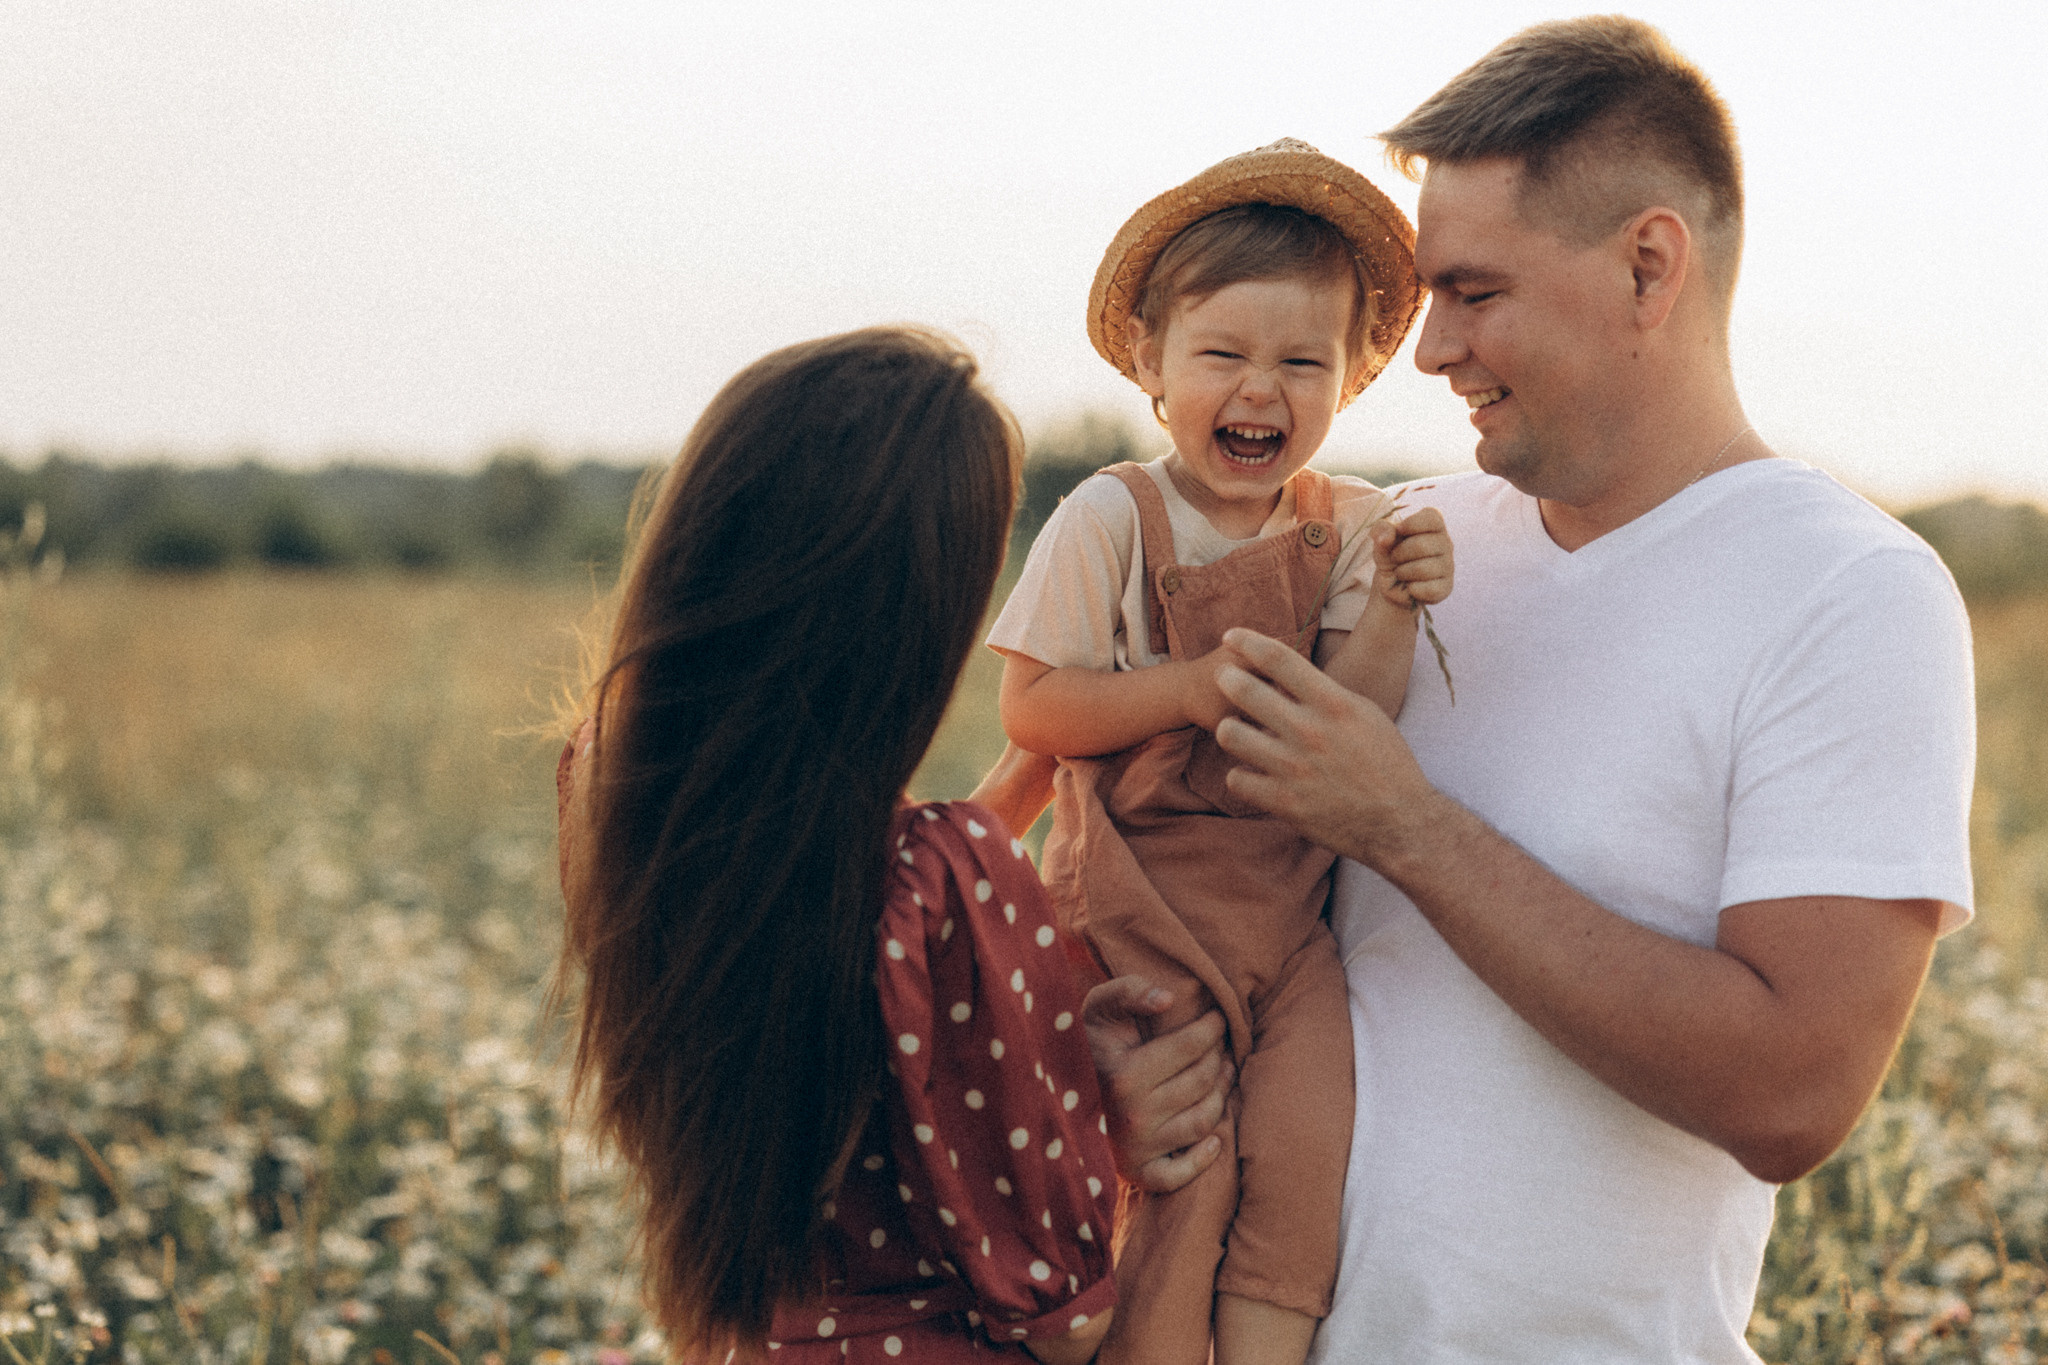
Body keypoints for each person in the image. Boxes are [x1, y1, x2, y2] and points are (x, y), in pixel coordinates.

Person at [1070, 17, 1977, 1363]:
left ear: (1647, 266)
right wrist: (1116, 1083)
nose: (1429, 350)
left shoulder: (1848, 593)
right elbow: (1193, 883)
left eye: (1474, 291)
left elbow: (1796, 1092)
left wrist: (1407, 826)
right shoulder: (1391, 542)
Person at [553, 327, 1121, 1363]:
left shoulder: (614, 785)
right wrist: (1124, 1118)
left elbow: (823, 906)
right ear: (914, 614)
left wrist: (1013, 790)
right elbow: (1070, 1324)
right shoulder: (941, 881)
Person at [987, 140, 1452, 1365]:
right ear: (1150, 362)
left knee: (1303, 1149)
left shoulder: (1346, 524)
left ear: (1349, 379)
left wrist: (1399, 601)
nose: (1261, 390)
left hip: (1287, 915)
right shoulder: (1111, 517)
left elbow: (1357, 719)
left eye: (1301, 361)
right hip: (1137, 908)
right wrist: (1182, 688)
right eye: (1223, 356)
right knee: (1177, 1173)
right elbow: (1035, 713)